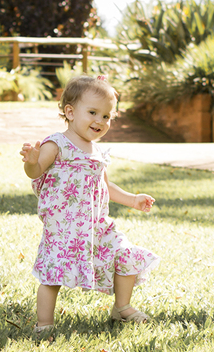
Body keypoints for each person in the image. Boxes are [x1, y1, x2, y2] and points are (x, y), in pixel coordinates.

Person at [20, 74, 159, 335]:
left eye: (106, 116)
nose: (100, 121)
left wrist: (132, 199)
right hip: (65, 228)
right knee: (53, 277)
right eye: (93, 112)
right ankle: (44, 324)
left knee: (126, 254)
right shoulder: (57, 143)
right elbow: (36, 171)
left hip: (97, 226)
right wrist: (31, 160)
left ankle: (122, 307)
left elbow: (104, 185)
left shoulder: (96, 151)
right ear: (70, 112)